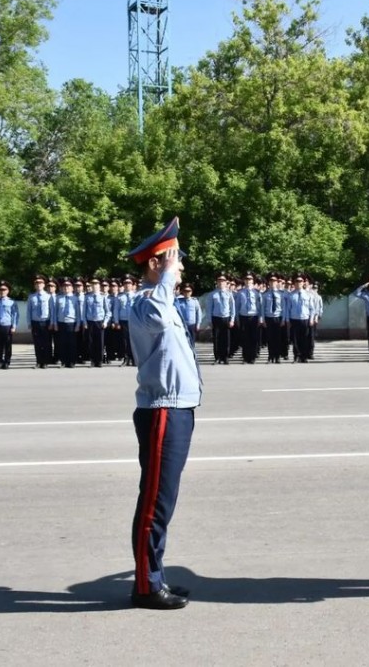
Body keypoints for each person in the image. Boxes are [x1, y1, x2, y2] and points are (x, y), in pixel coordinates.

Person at [125, 217, 199, 611]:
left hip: (179, 409)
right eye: (175, 260)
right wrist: (166, 274)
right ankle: (146, 585)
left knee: (163, 500)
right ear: (156, 263)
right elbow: (156, 309)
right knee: (154, 502)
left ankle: (154, 575)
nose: (181, 268)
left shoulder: (163, 301)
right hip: (162, 411)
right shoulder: (145, 303)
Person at [51, 278, 83, 368]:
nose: (66, 288)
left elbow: (78, 313)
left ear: (72, 288)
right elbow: (55, 312)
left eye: (68, 286)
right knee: (62, 343)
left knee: (72, 343)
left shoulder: (75, 299)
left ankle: (72, 361)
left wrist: (77, 324)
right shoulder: (58, 298)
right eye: (64, 286)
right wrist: (55, 323)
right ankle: (63, 361)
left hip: (71, 323)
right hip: (61, 323)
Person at [0, 281, 19, 369]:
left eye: (4, 289)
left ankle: (7, 362)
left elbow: (15, 315)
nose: (2, 291)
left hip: (7, 326)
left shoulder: (12, 302)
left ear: (8, 291)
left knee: (7, 345)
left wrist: (14, 326)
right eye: (0, 289)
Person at [208, 273, 235, 364]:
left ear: (226, 282)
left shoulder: (229, 294)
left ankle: (225, 357)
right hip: (216, 318)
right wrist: (209, 320)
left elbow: (232, 307)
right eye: (219, 280)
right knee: (216, 339)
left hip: (226, 318)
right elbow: (209, 308)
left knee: (226, 339)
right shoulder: (212, 294)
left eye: (223, 281)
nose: (221, 282)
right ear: (217, 282)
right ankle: (217, 357)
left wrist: (232, 319)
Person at [28, 275, 53, 368]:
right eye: (36, 283)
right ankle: (39, 361)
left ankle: (45, 361)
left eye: (40, 283)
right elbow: (29, 311)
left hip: (46, 322)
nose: (38, 285)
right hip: (35, 322)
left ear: (44, 285)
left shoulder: (48, 296)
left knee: (46, 343)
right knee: (37, 343)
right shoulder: (31, 297)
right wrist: (29, 322)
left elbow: (52, 310)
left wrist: (52, 322)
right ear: (34, 285)